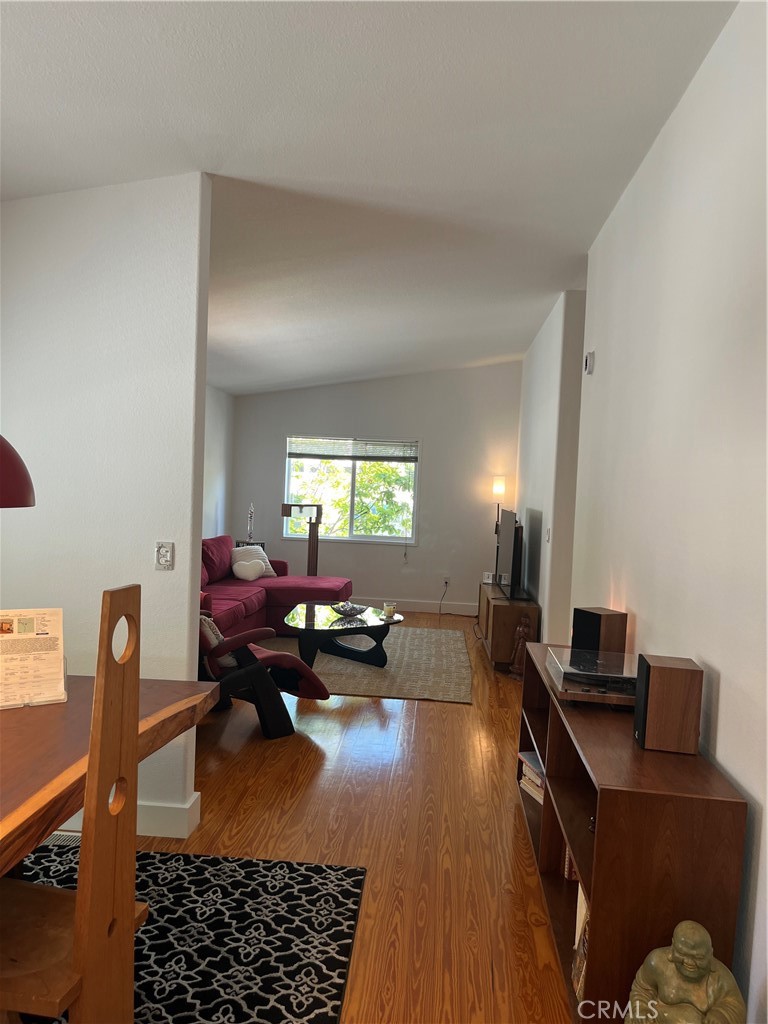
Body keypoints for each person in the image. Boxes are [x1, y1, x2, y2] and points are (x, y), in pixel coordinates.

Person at [628, 921, 746, 1024]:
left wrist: (721, 1015)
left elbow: (734, 1005)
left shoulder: (721, 977)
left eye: (698, 957)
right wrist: (642, 1009)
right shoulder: (656, 962)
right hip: (656, 1015)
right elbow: (643, 988)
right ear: (672, 948)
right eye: (682, 954)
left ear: (710, 955)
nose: (689, 962)